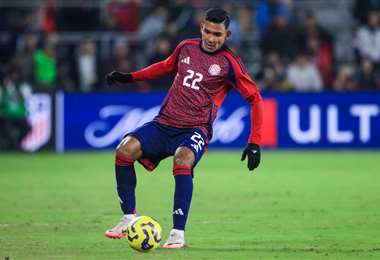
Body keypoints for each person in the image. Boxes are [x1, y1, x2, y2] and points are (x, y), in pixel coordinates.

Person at [104, 7, 263, 249]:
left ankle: (178, 233)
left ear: (227, 35)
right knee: (124, 150)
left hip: (195, 129)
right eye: (207, 32)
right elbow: (165, 66)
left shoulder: (230, 64)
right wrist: (130, 77)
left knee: (183, 160)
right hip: (164, 123)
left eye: (217, 35)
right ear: (201, 28)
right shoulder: (185, 47)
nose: (211, 38)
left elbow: (255, 99)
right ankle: (128, 218)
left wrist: (254, 142)